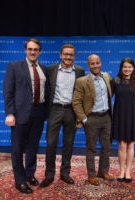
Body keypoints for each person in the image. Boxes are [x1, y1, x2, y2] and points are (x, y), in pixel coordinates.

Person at [3, 38, 47, 194]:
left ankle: (30, 174)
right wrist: (10, 113)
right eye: (30, 49)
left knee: (33, 147)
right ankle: (20, 181)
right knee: (17, 149)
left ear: (40, 51)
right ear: (25, 50)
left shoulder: (43, 68)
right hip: (20, 114)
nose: (33, 52)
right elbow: (8, 92)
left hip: (39, 112)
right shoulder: (14, 67)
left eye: (36, 49)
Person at [39, 44, 85, 188]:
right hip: (55, 109)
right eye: (65, 54)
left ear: (74, 56)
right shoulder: (51, 69)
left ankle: (65, 173)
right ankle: (49, 174)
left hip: (71, 110)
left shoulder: (80, 71)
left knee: (68, 143)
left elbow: (81, 93)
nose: (67, 57)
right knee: (51, 142)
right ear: (60, 55)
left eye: (70, 55)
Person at [72, 54, 114, 186]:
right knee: (91, 149)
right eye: (92, 63)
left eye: (97, 63)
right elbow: (76, 102)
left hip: (106, 117)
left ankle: (103, 171)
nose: (95, 66)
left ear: (101, 63)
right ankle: (91, 175)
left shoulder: (107, 77)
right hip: (92, 119)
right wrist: (84, 120)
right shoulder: (82, 81)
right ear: (88, 65)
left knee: (106, 147)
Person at [111, 57, 135, 183]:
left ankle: (128, 171)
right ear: (121, 68)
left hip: (133, 116)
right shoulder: (115, 81)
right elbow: (107, 97)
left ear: (133, 68)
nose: (127, 69)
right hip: (119, 116)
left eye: (129, 67)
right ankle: (121, 170)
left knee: (130, 144)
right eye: (125, 67)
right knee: (122, 144)